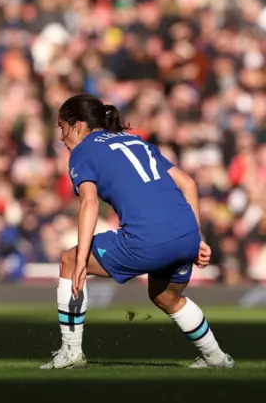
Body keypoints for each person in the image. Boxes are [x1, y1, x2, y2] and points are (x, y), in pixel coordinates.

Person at [40, 94, 235, 370]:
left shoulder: (83, 151)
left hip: (148, 240)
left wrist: (82, 258)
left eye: (62, 127)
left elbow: (89, 203)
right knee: (166, 296)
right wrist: (197, 237)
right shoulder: (136, 140)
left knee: (69, 262)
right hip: (187, 234)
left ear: (78, 125)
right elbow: (189, 183)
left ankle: (70, 353)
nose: (61, 136)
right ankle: (216, 358)